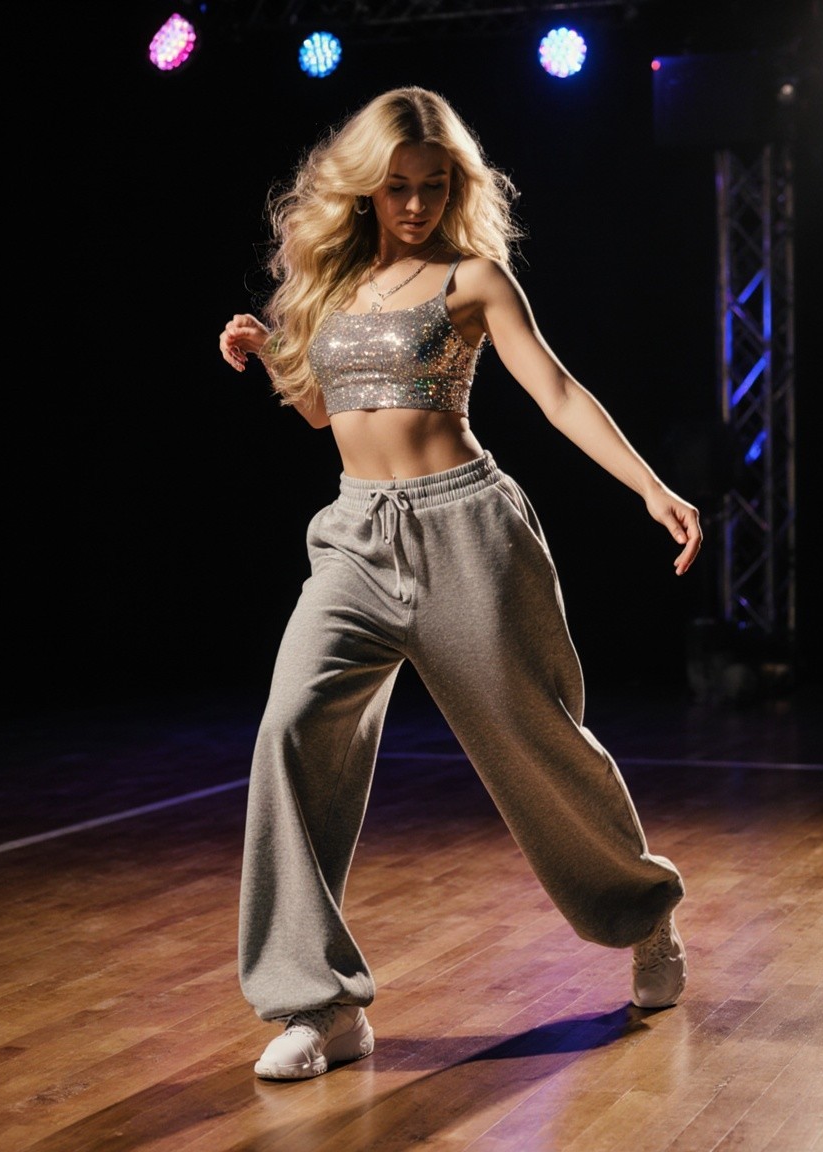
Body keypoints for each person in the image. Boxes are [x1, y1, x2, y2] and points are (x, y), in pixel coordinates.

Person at [218, 85, 702, 1081]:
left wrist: (650, 487)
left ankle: (647, 917)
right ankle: (320, 1007)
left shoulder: (471, 280)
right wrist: (268, 353)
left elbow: (559, 391)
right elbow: (324, 412)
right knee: (291, 728)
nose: (415, 205)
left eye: (434, 187)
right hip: (354, 536)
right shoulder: (328, 285)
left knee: (538, 741)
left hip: (464, 529)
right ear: (363, 187)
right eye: (397, 187)